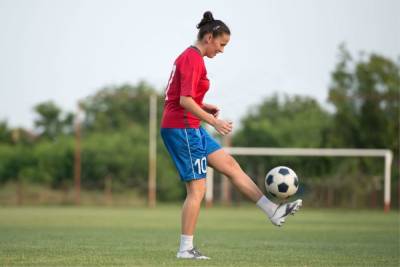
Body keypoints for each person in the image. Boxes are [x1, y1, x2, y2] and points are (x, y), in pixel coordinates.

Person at [160, 11, 302, 260]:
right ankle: (185, 249)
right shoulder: (193, 59)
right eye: (221, 44)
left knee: (230, 165)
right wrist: (213, 120)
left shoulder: (190, 57)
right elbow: (183, 101)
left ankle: (273, 211)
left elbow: (177, 97)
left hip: (190, 125)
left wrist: (204, 107)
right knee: (197, 190)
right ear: (209, 37)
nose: (222, 50)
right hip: (182, 129)